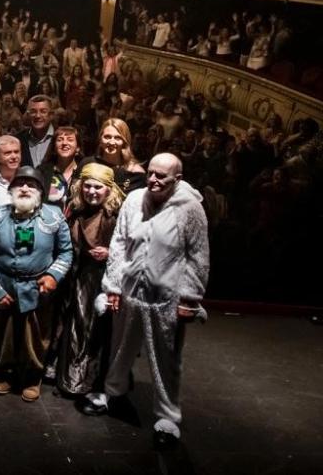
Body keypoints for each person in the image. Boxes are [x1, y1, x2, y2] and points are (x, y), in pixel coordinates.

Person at [82, 153, 210, 449]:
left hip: (166, 297)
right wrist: (113, 286)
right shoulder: (134, 199)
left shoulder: (190, 209)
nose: (153, 179)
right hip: (128, 292)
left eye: (161, 176)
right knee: (119, 348)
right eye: (151, 172)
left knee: (166, 358)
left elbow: (198, 257)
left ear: (176, 179)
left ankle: (167, 417)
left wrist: (189, 298)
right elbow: (119, 243)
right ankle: (112, 393)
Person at [0, 167, 73, 401]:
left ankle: (32, 377)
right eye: (20, 184)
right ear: (11, 190)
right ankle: (4, 373)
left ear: (40, 190)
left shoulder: (54, 216)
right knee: (4, 335)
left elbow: (66, 252)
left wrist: (53, 276)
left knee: (37, 337)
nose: (25, 188)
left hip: (38, 290)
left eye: (31, 184)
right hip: (5, 287)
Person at [55, 163, 124, 398]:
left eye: (98, 187)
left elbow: (131, 249)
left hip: (100, 281)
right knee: (71, 326)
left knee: (90, 329)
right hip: (75, 276)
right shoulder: (75, 210)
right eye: (88, 186)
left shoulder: (115, 215)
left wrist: (110, 252)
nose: (92, 191)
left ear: (108, 189)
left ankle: (86, 381)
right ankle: (67, 378)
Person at [78, 118, 147, 193]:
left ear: (124, 141)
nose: (111, 142)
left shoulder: (135, 173)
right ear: (100, 139)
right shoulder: (87, 164)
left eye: (117, 138)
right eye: (107, 137)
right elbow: (74, 196)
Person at [37, 126, 82, 210]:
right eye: (60, 140)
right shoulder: (42, 172)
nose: (64, 143)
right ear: (54, 147)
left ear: (78, 148)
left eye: (70, 139)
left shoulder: (84, 172)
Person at [18, 95, 54, 167]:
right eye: (33, 111)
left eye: (43, 111)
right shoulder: (18, 139)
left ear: (51, 115)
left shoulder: (61, 138)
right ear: (28, 115)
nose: (38, 116)